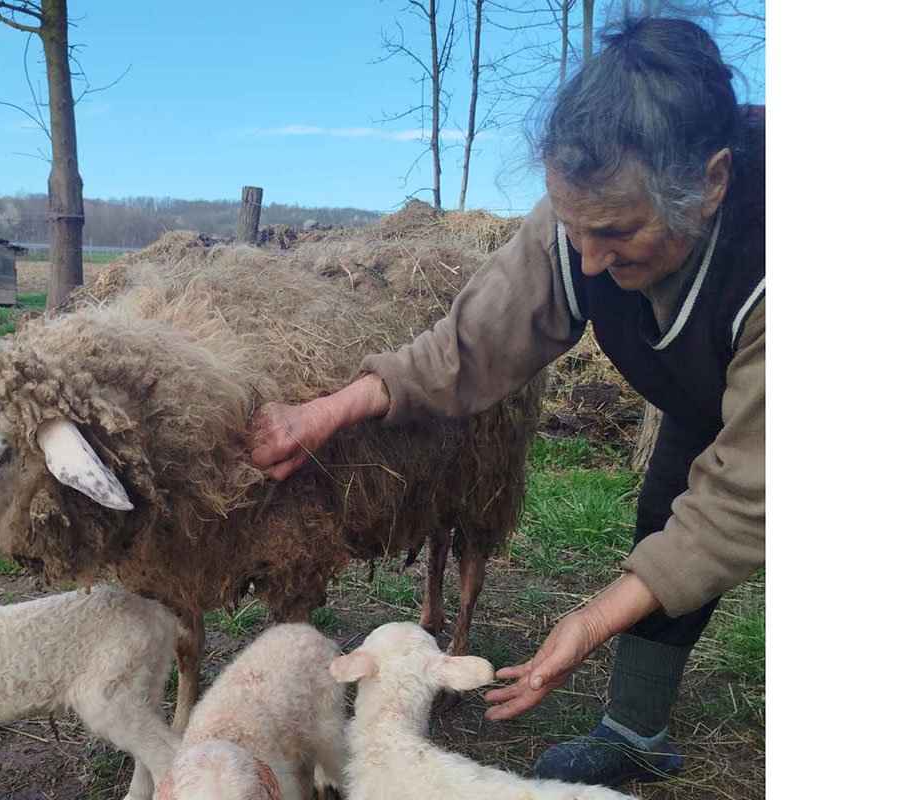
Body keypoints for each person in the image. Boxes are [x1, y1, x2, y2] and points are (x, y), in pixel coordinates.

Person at [245, 15, 764, 788]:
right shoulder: (584, 213)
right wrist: (330, 410)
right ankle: (636, 734)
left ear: (712, 183)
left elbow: (748, 496)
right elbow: (475, 342)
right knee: (665, 520)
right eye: (574, 228)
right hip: (702, 391)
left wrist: (589, 620)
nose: (589, 260)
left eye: (617, 232)